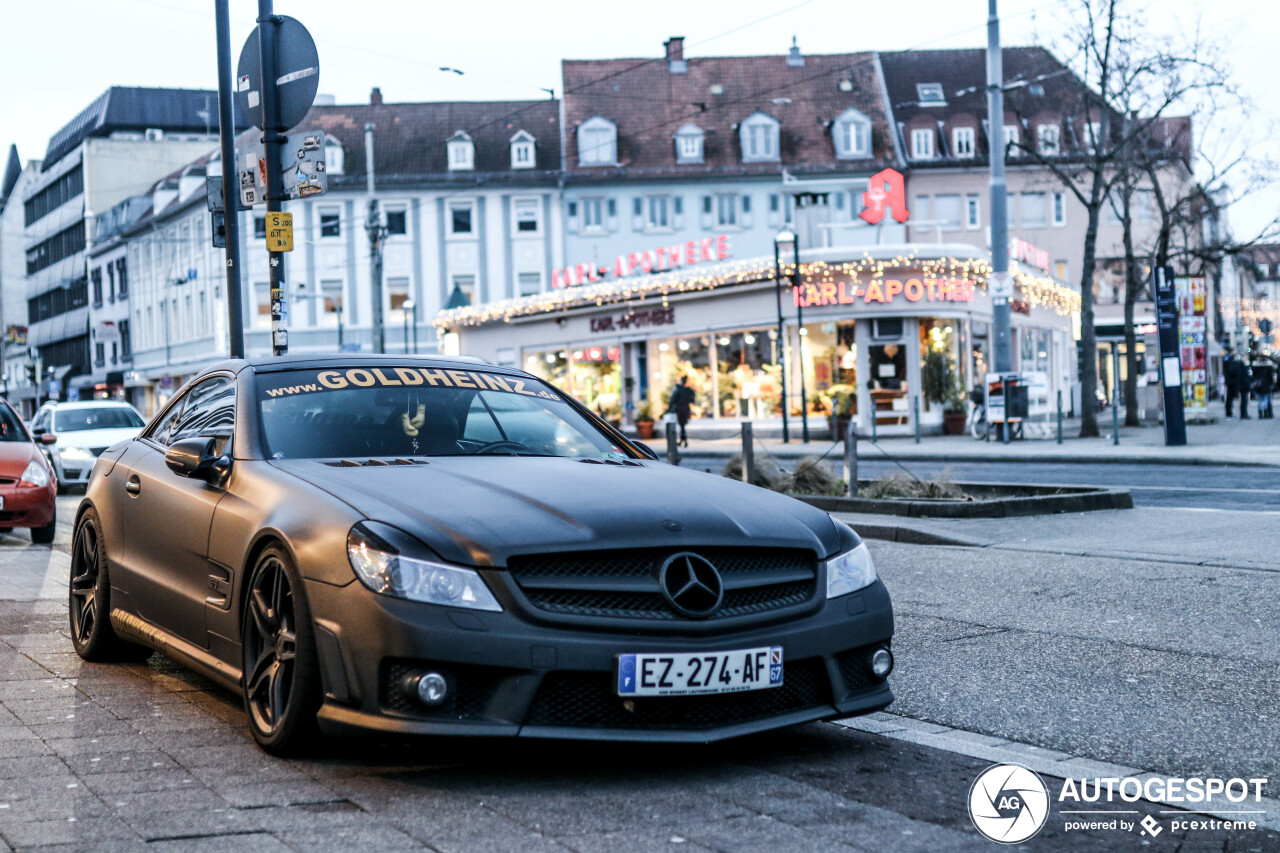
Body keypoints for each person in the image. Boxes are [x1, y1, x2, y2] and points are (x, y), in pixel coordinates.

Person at [666, 375, 696, 448]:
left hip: (680, 409)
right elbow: (692, 399)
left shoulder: (678, 389)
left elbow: (673, 399)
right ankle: (683, 440)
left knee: (682, 425)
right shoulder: (689, 390)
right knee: (682, 425)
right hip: (686, 409)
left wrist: (669, 409)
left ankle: (684, 440)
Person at [1223, 346, 1250, 419]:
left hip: (1230, 381)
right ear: (1231, 352)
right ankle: (1229, 413)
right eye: (1234, 351)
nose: (1235, 352)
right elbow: (1233, 371)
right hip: (1232, 382)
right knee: (1230, 398)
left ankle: (1229, 413)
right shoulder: (1231, 360)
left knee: (1230, 398)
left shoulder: (1227, 359)